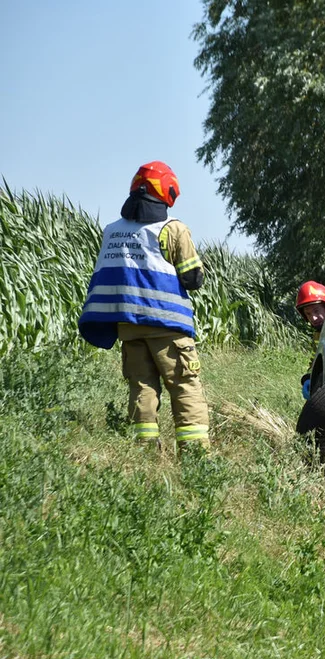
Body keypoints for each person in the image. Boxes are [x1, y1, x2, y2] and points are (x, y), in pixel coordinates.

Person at [78, 161, 209, 451]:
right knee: (184, 385)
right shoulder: (173, 228)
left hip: (128, 326)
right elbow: (192, 278)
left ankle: (146, 450)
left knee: (141, 386)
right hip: (167, 326)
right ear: (167, 191)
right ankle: (196, 454)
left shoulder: (112, 230)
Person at [296, 281, 325, 399]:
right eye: (308, 314)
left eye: (317, 311)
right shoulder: (317, 335)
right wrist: (309, 377)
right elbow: (315, 360)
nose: (313, 318)